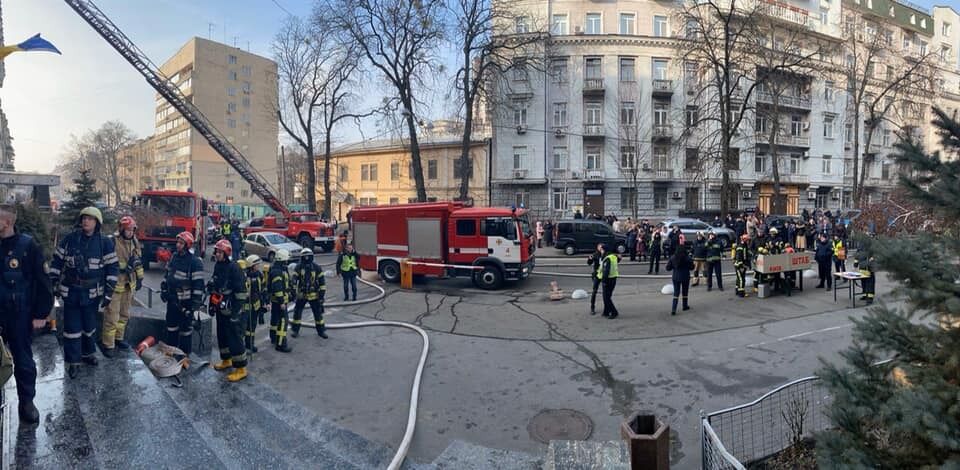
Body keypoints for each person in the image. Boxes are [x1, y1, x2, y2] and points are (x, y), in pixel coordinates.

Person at [50, 207, 118, 379]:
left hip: (92, 294)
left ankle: (88, 354)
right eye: (84, 218)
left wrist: (109, 293)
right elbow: (57, 262)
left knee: (89, 326)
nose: (86, 221)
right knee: (72, 328)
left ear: (97, 222)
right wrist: (53, 282)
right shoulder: (69, 240)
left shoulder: (105, 243)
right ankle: (73, 362)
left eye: (90, 219)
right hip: (71, 291)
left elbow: (113, 268)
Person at [0, 204, 53, 423]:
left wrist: (41, 314)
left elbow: (43, 283)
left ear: (7, 222)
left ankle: (27, 402)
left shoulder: (27, 246)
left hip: (18, 315)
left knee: (23, 360)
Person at [100, 216, 144, 358]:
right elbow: (106, 263)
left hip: (128, 285)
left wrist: (140, 278)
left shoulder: (135, 242)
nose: (130, 232)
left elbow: (137, 261)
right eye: (128, 230)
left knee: (124, 315)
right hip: (115, 284)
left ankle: (119, 339)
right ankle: (108, 344)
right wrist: (124, 267)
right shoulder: (112, 241)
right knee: (112, 316)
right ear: (121, 229)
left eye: (132, 230)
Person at [160, 232, 205, 363]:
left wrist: (195, 305)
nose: (178, 245)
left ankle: (185, 356)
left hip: (186, 303)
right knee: (171, 327)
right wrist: (164, 289)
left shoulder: (195, 262)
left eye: (181, 243)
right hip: (172, 300)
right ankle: (171, 354)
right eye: (177, 242)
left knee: (186, 331)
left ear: (187, 245)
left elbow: (198, 285)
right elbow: (167, 275)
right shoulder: (173, 257)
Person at [209, 239, 249, 382]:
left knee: (234, 338)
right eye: (216, 251)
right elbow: (215, 287)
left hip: (232, 310)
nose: (217, 254)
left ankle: (241, 368)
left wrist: (236, 312)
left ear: (226, 253)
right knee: (222, 335)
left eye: (220, 252)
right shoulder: (218, 266)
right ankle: (226, 360)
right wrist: (212, 305)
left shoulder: (234, 268)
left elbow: (241, 292)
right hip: (221, 308)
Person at [292, 248, 328, 338]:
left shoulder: (317, 267)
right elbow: (294, 280)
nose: (307, 258)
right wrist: (293, 293)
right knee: (297, 313)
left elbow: (322, 283)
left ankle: (321, 331)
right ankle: (295, 330)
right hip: (302, 295)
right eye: (305, 257)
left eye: (308, 256)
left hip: (314, 295)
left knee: (318, 313)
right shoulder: (298, 267)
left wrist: (321, 296)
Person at [268, 249, 293, 353]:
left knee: (274, 319)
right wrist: (282, 301)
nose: (287, 261)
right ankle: (281, 344)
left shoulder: (278, 269)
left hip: (276, 301)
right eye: (286, 259)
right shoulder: (277, 272)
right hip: (279, 301)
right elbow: (278, 288)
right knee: (283, 321)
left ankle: (273, 338)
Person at [243, 254, 265, 354]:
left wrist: (265, 302)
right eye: (256, 265)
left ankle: (250, 344)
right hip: (246, 306)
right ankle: (243, 345)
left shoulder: (259, 275)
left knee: (252, 327)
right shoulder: (245, 276)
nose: (258, 266)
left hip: (256, 305)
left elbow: (263, 290)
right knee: (245, 326)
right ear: (252, 265)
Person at [666, 244, 694, 315]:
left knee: (676, 293)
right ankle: (685, 306)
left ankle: (673, 309)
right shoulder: (687, 258)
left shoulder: (673, 257)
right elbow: (692, 267)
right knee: (685, 292)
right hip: (685, 276)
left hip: (676, 277)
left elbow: (668, 268)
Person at [598, 244, 619, 319]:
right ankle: (606, 311)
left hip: (608, 279)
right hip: (613, 278)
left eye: (602, 250)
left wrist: (604, 281)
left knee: (606, 297)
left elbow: (606, 271)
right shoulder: (613, 256)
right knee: (607, 296)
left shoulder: (607, 258)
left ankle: (614, 312)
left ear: (604, 250)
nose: (601, 251)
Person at [587, 244, 603, 314]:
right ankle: (592, 307)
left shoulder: (605, 254)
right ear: (597, 248)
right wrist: (589, 259)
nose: (601, 248)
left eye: (602, 247)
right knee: (594, 291)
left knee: (606, 292)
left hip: (604, 275)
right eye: (600, 247)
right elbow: (589, 263)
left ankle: (607, 307)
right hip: (596, 275)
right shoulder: (595, 254)